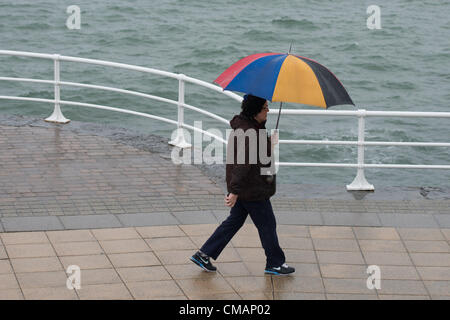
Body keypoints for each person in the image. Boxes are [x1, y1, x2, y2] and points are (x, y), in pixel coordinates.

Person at [190, 94, 295, 275]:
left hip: (247, 187)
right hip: (252, 189)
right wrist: (235, 191)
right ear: (255, 111)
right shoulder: (251, 133)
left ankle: (204, 254)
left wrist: (269, 143)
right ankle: (275, 263)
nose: (268, 110)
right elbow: (243, 164)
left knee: (233, 222)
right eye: (265, 107)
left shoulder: (248, 127)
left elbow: (254, 155)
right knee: (267, 225)